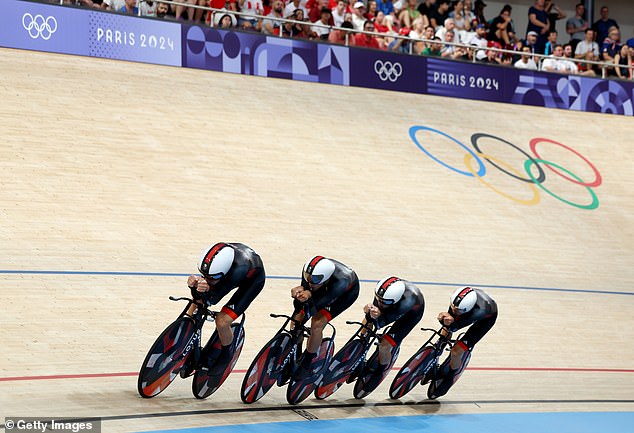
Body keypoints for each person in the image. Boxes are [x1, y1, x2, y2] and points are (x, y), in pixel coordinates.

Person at [186, 243, 266, 375]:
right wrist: (194, 286)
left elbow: (212, 300)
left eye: (212, 278)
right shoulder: (215, 264)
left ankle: (226, 355)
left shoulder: (237, 271)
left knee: (222, 321)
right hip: (232, 268)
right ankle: (185, 336)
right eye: (204, 275)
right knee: (196, 303)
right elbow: (202, 293)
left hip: (252, 281)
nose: (208, 280)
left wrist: (202, 289)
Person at [290, 256, 360, 379]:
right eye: (308, 278)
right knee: (298, 317)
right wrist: (299, 294)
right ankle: (296, 351)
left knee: (317, 323)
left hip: (343, 295)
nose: (310, 281)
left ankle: (307, 364)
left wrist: (309, 294)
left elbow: (317, 305)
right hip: (325, 287)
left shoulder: (341, 281)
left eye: (315, 279)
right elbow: (300, 305)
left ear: (325, 278)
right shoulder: (310, 272)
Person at [360, 277, 425, 387]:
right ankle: (359, 348)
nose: (380, 303)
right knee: (368, 321)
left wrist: (377, 315)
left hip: (410, 314)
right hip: (391, 301)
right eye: (378, 299)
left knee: (384, 344)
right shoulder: (383, 293)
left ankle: (381, 370)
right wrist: (368, 311)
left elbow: (381, 323)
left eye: (384, 302)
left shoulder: (406, 302)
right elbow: (375, 311)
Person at [434, 287, 497, 395]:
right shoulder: (458, 303)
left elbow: (454, 327)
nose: (454, 311)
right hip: (468, 305)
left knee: (456, 351)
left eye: (457, 310)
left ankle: (451, 376)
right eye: (453, 307)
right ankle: (438, 346)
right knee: (447, 325)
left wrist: (446, 321)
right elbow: (450, 320)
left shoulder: (479, 312)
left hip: (486, 319)